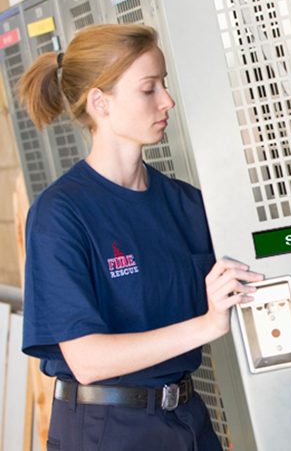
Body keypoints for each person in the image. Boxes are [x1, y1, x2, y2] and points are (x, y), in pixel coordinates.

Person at [18, 24, 263, 451]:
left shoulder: (186, 205)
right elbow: (87, 360)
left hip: (188, 420)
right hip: (105, 431)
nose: (167, 100)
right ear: (100, 102)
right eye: (148, 88)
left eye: (164, 85)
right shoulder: (61, 214)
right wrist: (207, 324)